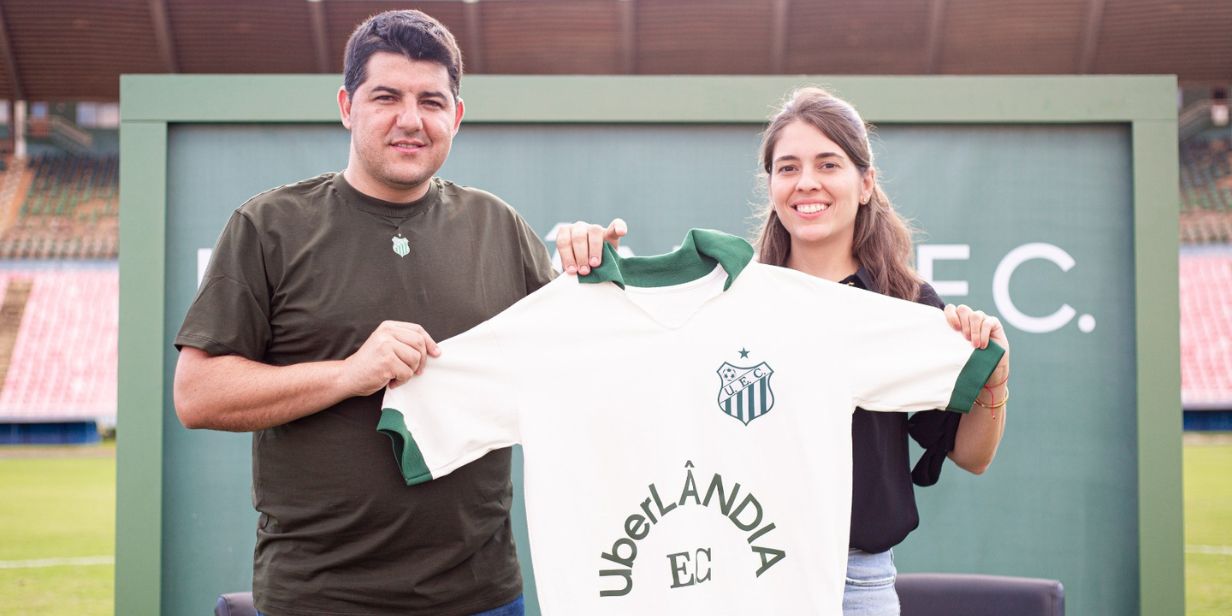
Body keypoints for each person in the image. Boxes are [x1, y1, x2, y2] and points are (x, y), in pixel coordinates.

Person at [172, 10, 620, 616]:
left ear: (455, 117)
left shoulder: (499, 227)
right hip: (319, 598)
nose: (410, 119)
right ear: (346, 106)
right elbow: (197, 395)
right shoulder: (269, 226)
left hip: (481, 596)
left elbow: (578, 373)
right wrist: (348, 373)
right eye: (386, 96)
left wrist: (593, 276)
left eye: (431, 101)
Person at [752, 87, 1011, 616]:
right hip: (751, 570)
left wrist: (994, 381)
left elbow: (972, 456)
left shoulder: (908, 307)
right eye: (788, 168)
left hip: (858, 583)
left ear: (865, 183)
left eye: (829, 164)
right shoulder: (739, 301)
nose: (807, 183)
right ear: (773, 185)